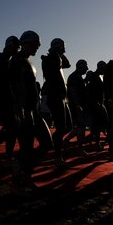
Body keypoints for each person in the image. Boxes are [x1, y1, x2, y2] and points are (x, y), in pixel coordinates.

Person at [9, 30, 41, 186]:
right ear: (25, 43)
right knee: (26, 147)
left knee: (46, 142)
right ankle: (19, 180)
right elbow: (14, 85)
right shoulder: (17, 60)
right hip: (24, 109)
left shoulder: (29, 62)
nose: (38, 47)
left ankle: (25, 172)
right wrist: (18, 107)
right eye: (35, 44)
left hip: (33, 109)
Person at [41, 38, 72, 166]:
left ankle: (53, 142)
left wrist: (60, 53)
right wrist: (54, 53)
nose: (65, 49)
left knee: (68, 126)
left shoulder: (58, 58)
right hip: (55, 97)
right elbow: (56, 67)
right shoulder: (49, 59)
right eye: (62, 47)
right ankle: (57, 157)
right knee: (61, 128)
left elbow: (67, 64)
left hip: (62, 98)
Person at [63, 59, 90, 153]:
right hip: (76, 106)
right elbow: (73, 91)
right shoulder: (74, 77)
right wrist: (77, 105)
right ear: (80, 66)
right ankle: (80, 148)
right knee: (81, 127)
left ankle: (66, 141)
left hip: (79, 105)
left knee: (79, 127)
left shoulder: (78, 77)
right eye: (85, 66)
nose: (87, 68)